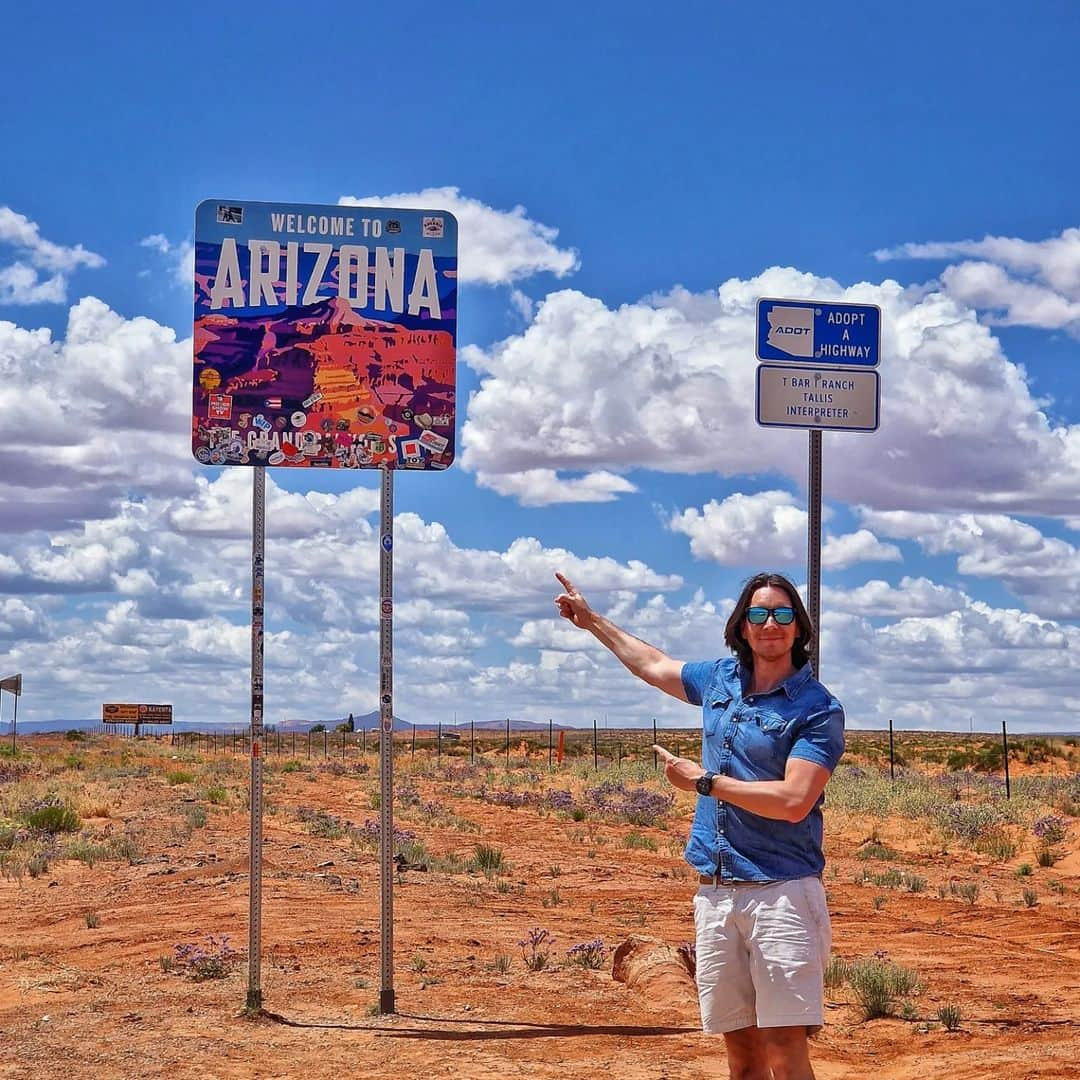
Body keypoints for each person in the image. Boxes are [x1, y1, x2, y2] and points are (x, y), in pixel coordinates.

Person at [554, 570, 844, 1080]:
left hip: (781, 893)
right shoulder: (719, 681)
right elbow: (653, 664)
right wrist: (592, 621)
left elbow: (795, 801)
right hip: (716, 892)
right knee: (742, 1053)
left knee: (784, 1047)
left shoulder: (816, 708)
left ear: (799, 627)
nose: (770, 623)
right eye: (758, 613)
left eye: (782, 613)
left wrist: (706, 782)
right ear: (742, 625)